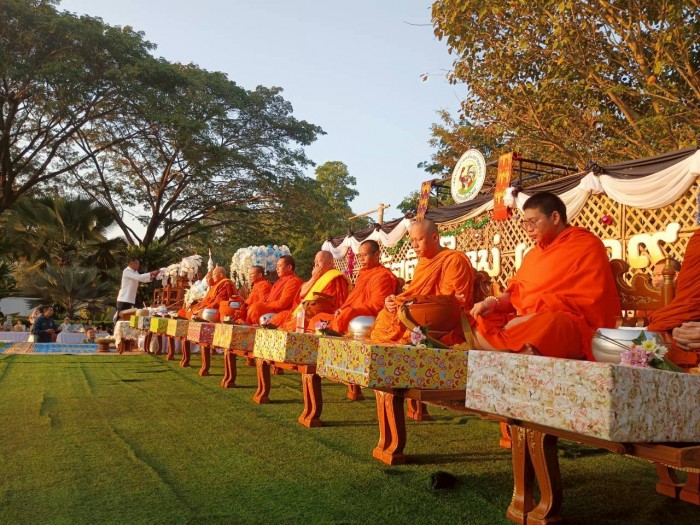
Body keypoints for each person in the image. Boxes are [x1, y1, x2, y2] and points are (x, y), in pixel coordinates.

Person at [470, 192, 620, 359]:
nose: (528, 229)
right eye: (525, 223)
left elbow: (590, 302)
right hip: (528, 323)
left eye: (533, 222)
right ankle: (518, 351)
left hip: (569, 325)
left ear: (555, 217)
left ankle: (510, 350)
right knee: (481, 319)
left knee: (553, 323)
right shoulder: (533, 255)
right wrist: (492, 302)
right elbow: (514, 295)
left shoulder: (586, 245)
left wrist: (531, 318)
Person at [370, 219, 475, 345]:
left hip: (439, 315)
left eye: (419, 239)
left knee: (415, 321)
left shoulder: (454, 260)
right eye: (412, 240)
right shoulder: (423, 262)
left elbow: (449, 302)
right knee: (385, 316)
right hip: (419, 307)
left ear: (435, 238)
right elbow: (415, 291)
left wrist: (412, 301)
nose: (414, 245)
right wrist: (394, 300)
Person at [310, 240, 398, 334]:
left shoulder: (383, 276)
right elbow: (352, 300)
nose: (361, 259)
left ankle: (329, 331)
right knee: (317, 318)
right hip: (353, 313)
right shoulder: (363, 275)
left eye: (364, 255)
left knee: (347, 314)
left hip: (366, 316)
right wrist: (342, 309)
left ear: (376, 255)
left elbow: (378, 305)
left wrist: (352, 310)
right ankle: (326, 329)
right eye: (359, 256)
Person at [648, 229, 700, 367]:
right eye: (654, 275)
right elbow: (687, 304)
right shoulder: (698, 240)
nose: (655, 279)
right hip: (686, 336)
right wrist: (676, 328)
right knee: (653, 345)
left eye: (659, 275)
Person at [268, 250, 349, 331]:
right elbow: (302, 294)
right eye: (315, 262)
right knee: (278, 319)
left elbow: (332, 305)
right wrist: (313, 278)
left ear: (330, 263)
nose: (316, 265)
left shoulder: (336, 278)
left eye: (318, 262)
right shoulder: (317, 277)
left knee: (294, 325)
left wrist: (309, 307)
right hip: (301, 311)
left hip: (315, 314)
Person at [245, 255, 303, 325]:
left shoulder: (293, 281)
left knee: (255, 308)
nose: (277, 269)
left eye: (279, 266)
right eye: (276, 266)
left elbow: (282, 304)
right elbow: (268, 299)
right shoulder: (279, 281)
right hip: (271, 309)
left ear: (289, 267)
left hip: (281, 313)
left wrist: (265, 304)